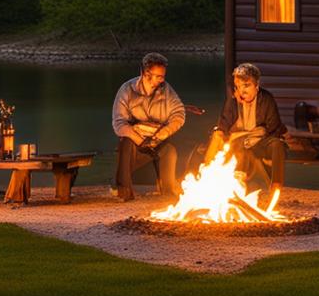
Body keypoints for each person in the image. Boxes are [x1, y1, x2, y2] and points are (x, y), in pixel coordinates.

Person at [201, 63, 288, 191]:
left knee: (277, 145)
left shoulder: (266, 99)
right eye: (238, 86)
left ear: (256, 86)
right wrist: (221, 134)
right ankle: (210, 178)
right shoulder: (233, 100)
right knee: (227, 141)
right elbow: (223, 124)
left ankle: (276, 187)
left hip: (259, 141)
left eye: (246, 86)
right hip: (236, 143)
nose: (242, 91)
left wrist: (257, 136)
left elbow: (274, 128)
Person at [112, 52, 186, 201]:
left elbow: (179, 113)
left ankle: (168, 191)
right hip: (135, 141)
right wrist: (138, 139)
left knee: (170, 151)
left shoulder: (166, 90)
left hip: (157, 139)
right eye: (159, 76)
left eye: (163, 76)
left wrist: (163, 133)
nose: (162, 80)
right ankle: (123, 190)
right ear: (146, 73)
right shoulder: (127, 90)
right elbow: (119, 123)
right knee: (125, 144)